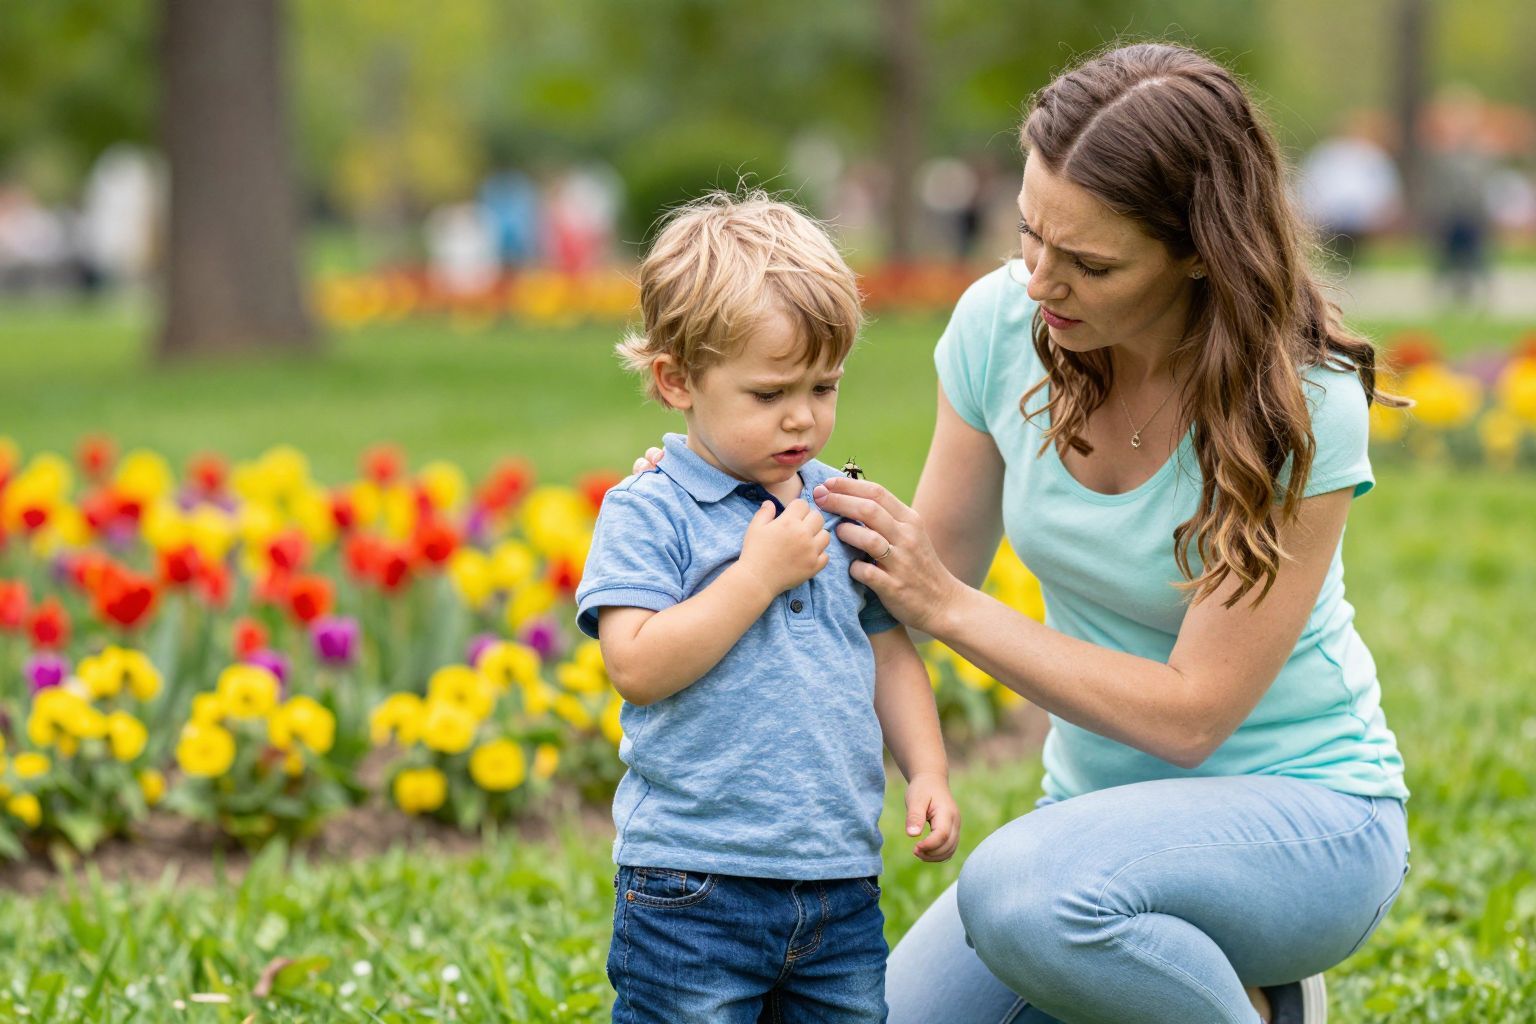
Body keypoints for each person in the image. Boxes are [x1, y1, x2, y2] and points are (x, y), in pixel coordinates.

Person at [640, 44, 1411, 1023]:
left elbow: (1192, 715)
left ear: (1196, 253)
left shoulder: (1301, 401)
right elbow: (905, 578)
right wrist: (704, 490)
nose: (1041, 280)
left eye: (1090, 263)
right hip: (1088, 831)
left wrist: (950, 605)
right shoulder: (1003, 327)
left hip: (1308, 824)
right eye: (1028, 235)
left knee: (1018, 892)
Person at [578, 191, 960, 1024]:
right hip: (692, 884)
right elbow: (636, 667)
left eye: (824, 387)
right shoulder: (650, 510)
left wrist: (926, 770)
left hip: (837, 881)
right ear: (677, 380)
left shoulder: (842, 504)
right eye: (768, 393)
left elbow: (890, 653)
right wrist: (756, 578)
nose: (803, 417)